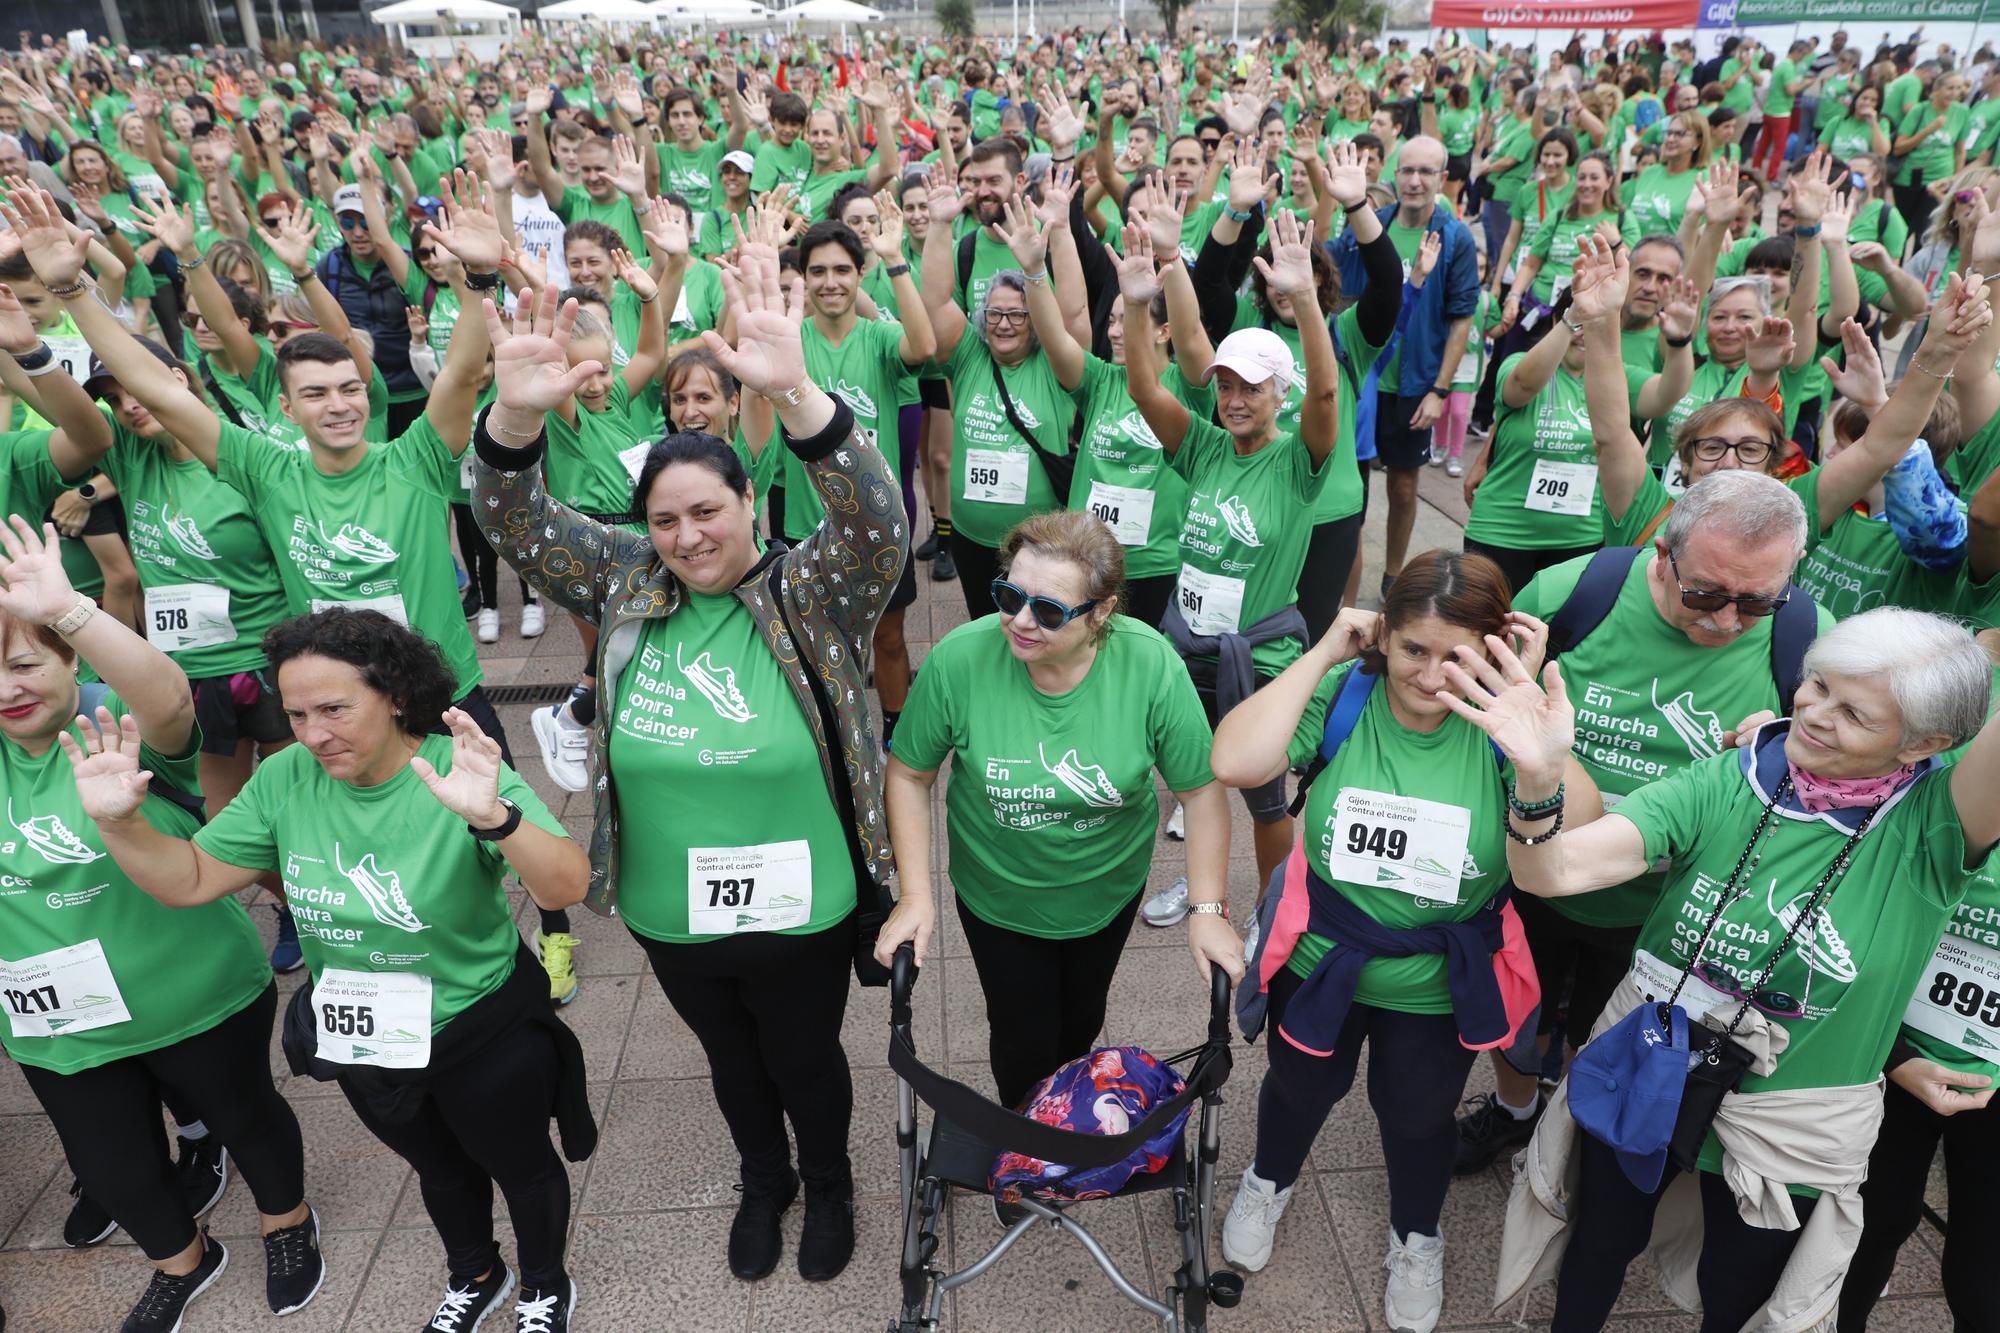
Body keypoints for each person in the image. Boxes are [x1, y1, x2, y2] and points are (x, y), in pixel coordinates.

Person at [468, 252, 905, 1285]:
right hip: (673, 903)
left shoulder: (813, 588)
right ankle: (766, 1179)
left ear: (749, 501)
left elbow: (879, 521)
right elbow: (511, 521)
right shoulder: (627, 581)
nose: (686, 537)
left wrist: (796, 393)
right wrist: (517, 422)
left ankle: (830, 1178)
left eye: (706, 511)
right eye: (664, 519)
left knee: (804, 1057)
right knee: (731, 1060)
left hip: (802, 898)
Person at [1462, 601, 2000, 1331]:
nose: (1814, 713)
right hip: (1655, 1061)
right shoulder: (1733, 777)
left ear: (1925, 742)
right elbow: (1551, 872)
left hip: (1791, 1117)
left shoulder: (1933, 830)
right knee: (1598, 1244)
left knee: (1740, 1294)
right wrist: (1539, 775)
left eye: (1854, 712)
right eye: (1817, 685)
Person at [73, 608, 590, 1333]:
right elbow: (187, 877)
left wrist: (496, 817)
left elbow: (567, 885)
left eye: (335, 708)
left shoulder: (456, 767)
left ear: (397, 695)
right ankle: (476, 1272)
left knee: (521, 1165)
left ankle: (542, 1282)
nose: (314, 732)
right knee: (439, 1169)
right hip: (367, 1032)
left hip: (481, 1026)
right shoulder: (286, 776)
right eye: (297, 712)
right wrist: (120, 823)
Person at [1209, 553, 1600, 1333]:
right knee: (1297, 1086)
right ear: (1382, 634)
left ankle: (1416, 1235)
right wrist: (1325, 650)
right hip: (1324, 955)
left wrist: (1529, 727)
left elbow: (1576, 831)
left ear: (1492, 649)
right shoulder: (1348, 695)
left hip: (1436, 975)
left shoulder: (1500, 728)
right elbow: (1235, 761)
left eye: (1454, 654)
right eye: (1412, 648)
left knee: (1420, 1114)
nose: (1427, 674)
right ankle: (1267, 1178)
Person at [0, 514, 323, 1333]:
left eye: (26, 661)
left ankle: (286, 1221)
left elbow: (172, 696)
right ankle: (183, 1258)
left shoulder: (122, 726)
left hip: (193, 993)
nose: (9, 687)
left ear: (69, 659)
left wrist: (69, 608)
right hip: (59, 1026)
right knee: (114, 1165)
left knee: (249, 1119)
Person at [876, 509, 1238, 1114]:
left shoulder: (1150, 668)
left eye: (1047, 611)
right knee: (1021, 1037)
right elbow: (910, 773)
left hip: (1106, 888)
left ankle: (1062, 1115)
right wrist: (915, 894)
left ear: (1101, 613)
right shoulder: (960, 661)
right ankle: (1026, 1147)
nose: (1018, 621)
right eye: (1009, 595)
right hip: (999, 894)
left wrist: (1207, 910)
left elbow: (1201, 792)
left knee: (1079, 1024)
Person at [918, 159, 1077, 621]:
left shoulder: (1054, 365)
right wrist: (940, 225)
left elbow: (1072, 312)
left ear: (1035, 319)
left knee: (1037, 630)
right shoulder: (969, 356)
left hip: (1039, 543)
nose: (1004, 323)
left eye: (1017, 314)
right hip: (971, 537)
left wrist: (1060, 231)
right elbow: (936, 299)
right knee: (987, 626)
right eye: (994, 313)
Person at [1330, 134, 1478, 599]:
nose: (1414, 181)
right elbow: (1333, 276)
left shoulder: (1454, 237)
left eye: (1425, 172)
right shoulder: (1373, 225)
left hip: (1415, 383)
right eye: (1407, 171)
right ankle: (1345, 577)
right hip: (1364, 382)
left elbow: (1461, 321)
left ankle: (1393, 573)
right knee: (1352, 491)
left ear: (1442, 179)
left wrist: (1439, 390)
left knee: (1403, 485)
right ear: (1395, 175)